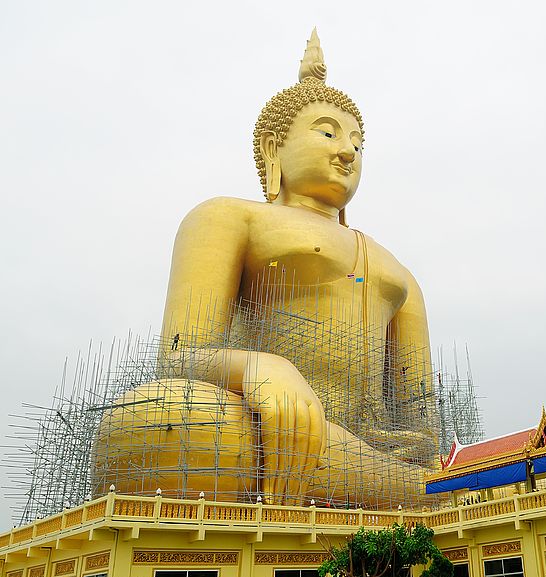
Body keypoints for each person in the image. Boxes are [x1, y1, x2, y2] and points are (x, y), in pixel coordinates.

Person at [95, 30, 436, 509]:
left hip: (362, 450)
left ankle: (373, 477)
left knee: (441, 475)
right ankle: (390, 490)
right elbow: (178, 356)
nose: (347, 152)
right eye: (328, 132)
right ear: (274, 146)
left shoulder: (398, 273)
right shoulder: (228, 217)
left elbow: (422, 420)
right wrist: (261, 367)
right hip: (253, 425)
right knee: (149, 419)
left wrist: (418, 449)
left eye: (358, 143)